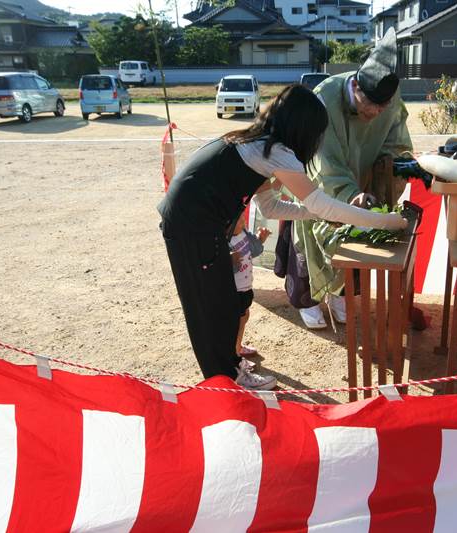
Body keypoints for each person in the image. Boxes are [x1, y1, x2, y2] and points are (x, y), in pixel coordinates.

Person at [158, 84, 407, 391]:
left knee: (223, 303)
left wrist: (320, 214)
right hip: (192, 226)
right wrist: (384, 221)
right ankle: (227, 382)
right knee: (211, 307)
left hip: (197, 222)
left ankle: (228, 371)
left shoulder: (256, 144)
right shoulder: (275, 152)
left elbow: (272, 208)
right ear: (304, 128)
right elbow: (319, 202)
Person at [278, 28, 426, 330]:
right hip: (318, 185)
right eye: (369, 104)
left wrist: (394, 168)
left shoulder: (388, 98)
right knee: (313, 235)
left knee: (356, 242)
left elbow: (396, 141)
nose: (375, 112)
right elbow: (323, 163)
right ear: (355, 84)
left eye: (382, 107)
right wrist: (350, 196)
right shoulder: (324, 100)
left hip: (364, 176)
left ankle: (338, 296)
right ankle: (307, 301)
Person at [229, 212, 270, 359]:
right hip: (234, 291)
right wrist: (230, 260)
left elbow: (254, 251)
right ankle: (235, 355)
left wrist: (260, 239)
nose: (243, 221)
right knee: (236, 322)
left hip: (246, 287)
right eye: (238, 219)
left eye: (242, 217)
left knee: (244, 316)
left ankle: (237, 347)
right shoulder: (224, 242)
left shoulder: (243, 233)